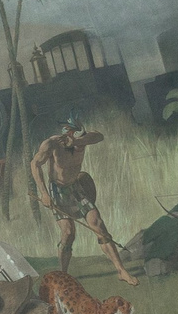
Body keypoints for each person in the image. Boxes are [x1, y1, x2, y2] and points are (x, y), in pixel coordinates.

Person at [30, 118, 140, 284]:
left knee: (98, 225)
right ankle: (63, 275)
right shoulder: (51, 144)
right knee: (68, 234)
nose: (79, 146)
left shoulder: (82, 140)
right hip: (57, 192)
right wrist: (44, 194)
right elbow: (34, 164)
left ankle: (121, 271)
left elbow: (98, 136)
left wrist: (78, 141)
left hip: (76, 188)